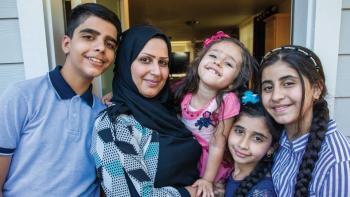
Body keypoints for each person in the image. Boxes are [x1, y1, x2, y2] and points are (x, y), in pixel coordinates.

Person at [0, 3, 121, 196]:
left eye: (110, 44)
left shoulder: (103, 115)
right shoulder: (22, 96)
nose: (100, 48)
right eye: (89, 37)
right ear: (67, 43)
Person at [91, 25, 202, 197]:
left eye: (163, 63)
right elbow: (126, 194)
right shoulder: (114, 124)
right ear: (125, 63)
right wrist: (189, 193)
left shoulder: (173, 108)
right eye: (145, 60)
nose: (157, 72)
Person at [259, 45, 350, 196]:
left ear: (316, 88)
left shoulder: (338, 162)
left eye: (288, 83)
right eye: (268, 87)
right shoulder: (276, 138)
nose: (275, 96)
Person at [174, 31, 257, 197]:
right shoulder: (184, 91)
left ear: (233, 81)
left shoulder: (226, 100)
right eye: (213, 56)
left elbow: (218, 143)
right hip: (187, 156)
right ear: (199, 61)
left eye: (228, 64)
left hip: (210, 162)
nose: (218, 63)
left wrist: (208, 179)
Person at [225, 90, 281, 197]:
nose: (243, 145)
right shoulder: (225, 171)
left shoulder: (263, 191)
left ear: (272, 148)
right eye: (239, 131)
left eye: (257, 138)